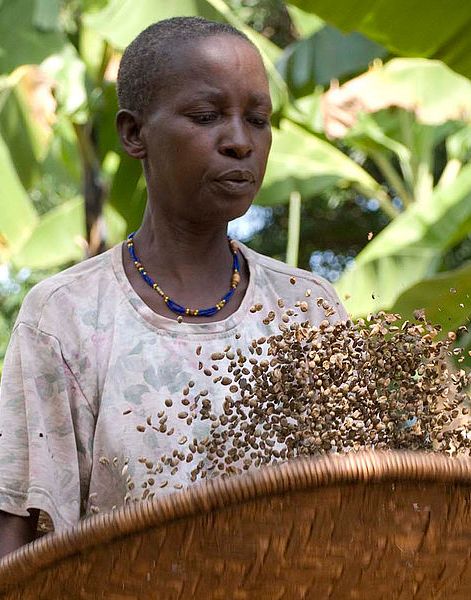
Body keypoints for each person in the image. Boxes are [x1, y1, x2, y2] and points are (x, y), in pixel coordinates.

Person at [0, 17, 347, 558]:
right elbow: (18, 532)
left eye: (258, 119)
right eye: (207, 117)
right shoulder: (65, 317)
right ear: (134, 134)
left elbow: (351, 513)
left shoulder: (308, 311)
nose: (239, 141)